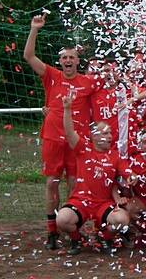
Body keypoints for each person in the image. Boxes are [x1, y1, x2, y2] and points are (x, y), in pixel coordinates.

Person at [23, 13, 100, 250]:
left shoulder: (89, 82)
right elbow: (28, 56)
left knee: (75, 184)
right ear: (60, 61)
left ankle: (73, 229)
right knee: (51, 184)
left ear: (78, 61)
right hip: (53, 139)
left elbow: (102, 104)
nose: (68, 60)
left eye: (72, 57)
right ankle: (52, 231)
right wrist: (35, 29)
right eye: (64, 57)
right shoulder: (52, 76)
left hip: (78, 142)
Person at [56, 90, 132, 255]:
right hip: (80, 201)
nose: (110, 136)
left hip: (103, 204)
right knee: (62, 219)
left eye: (110, 133)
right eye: (105, 133)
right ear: (94, 136)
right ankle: (76, 240)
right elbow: (69, 133)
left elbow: (127, 173)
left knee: (122, 220)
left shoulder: (115, 156)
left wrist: (133, 178)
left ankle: (104, 238)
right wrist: (67, 109)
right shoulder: (83, 149)